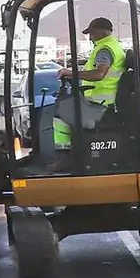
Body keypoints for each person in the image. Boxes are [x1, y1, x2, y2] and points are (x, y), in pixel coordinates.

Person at [47, 17, 126, 171]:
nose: (90, 37)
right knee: (68, 108)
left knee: (60, 115)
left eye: (92, 33)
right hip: (103, 102)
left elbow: (99, 74)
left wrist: (71, 74)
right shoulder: (114, 45)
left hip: (100, 105)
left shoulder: (105, 49)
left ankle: (65, 157)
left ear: (103, 31)